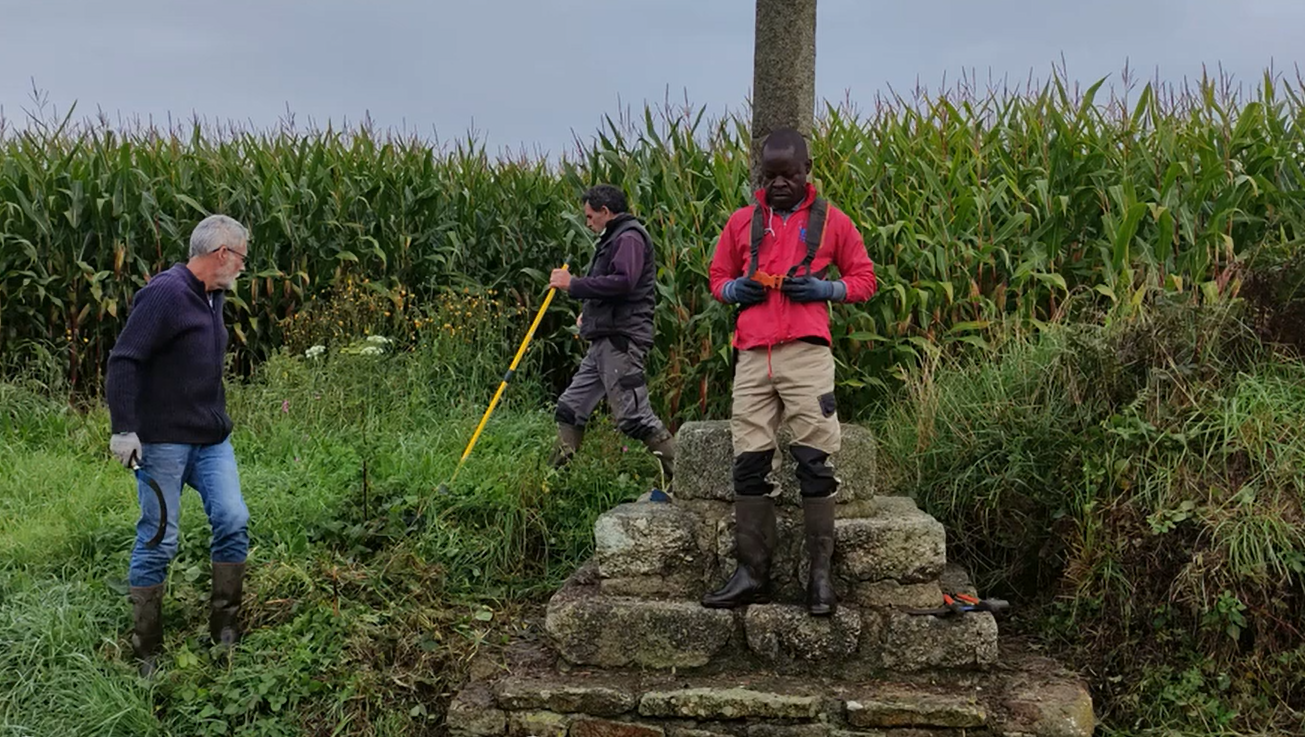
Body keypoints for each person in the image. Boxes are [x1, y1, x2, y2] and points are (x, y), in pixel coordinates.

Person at [701, 127, 877, 616]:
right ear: (760, 173)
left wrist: (827, 291)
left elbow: (865, 279)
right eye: (770, 174)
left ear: (807, 172)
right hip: (754, 355)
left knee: (815, 459)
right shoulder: (741, 222)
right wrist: (735, 290)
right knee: (750, 460)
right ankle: (751, 574)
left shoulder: (833, 222)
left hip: (805, 352)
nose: (779, 183)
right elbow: (717, 278)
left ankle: (819, 576)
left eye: (789, 174)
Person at [105, 214, 252, 675]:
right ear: (221, 254)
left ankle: (224, 626)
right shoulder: (165, 294)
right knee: (159, 539)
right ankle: (146, 647)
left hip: (211, 440)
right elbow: (124, 359)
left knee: (233, 518)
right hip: (163, 443)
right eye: (242, 258)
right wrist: (124, 429)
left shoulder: (214, 297)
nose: (243, 269)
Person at [547, 184, 675, 491]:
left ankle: (688, 476)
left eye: (591, 217)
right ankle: (551, 482)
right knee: (570, 407)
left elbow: (623, 282)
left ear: (606, 212)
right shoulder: (615, 237)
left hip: (622, 341)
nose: (588, 223)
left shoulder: (629, 237)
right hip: (604, 339)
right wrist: (590, 315)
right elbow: (612, 288)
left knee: (634, 418)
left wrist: (574, 284)